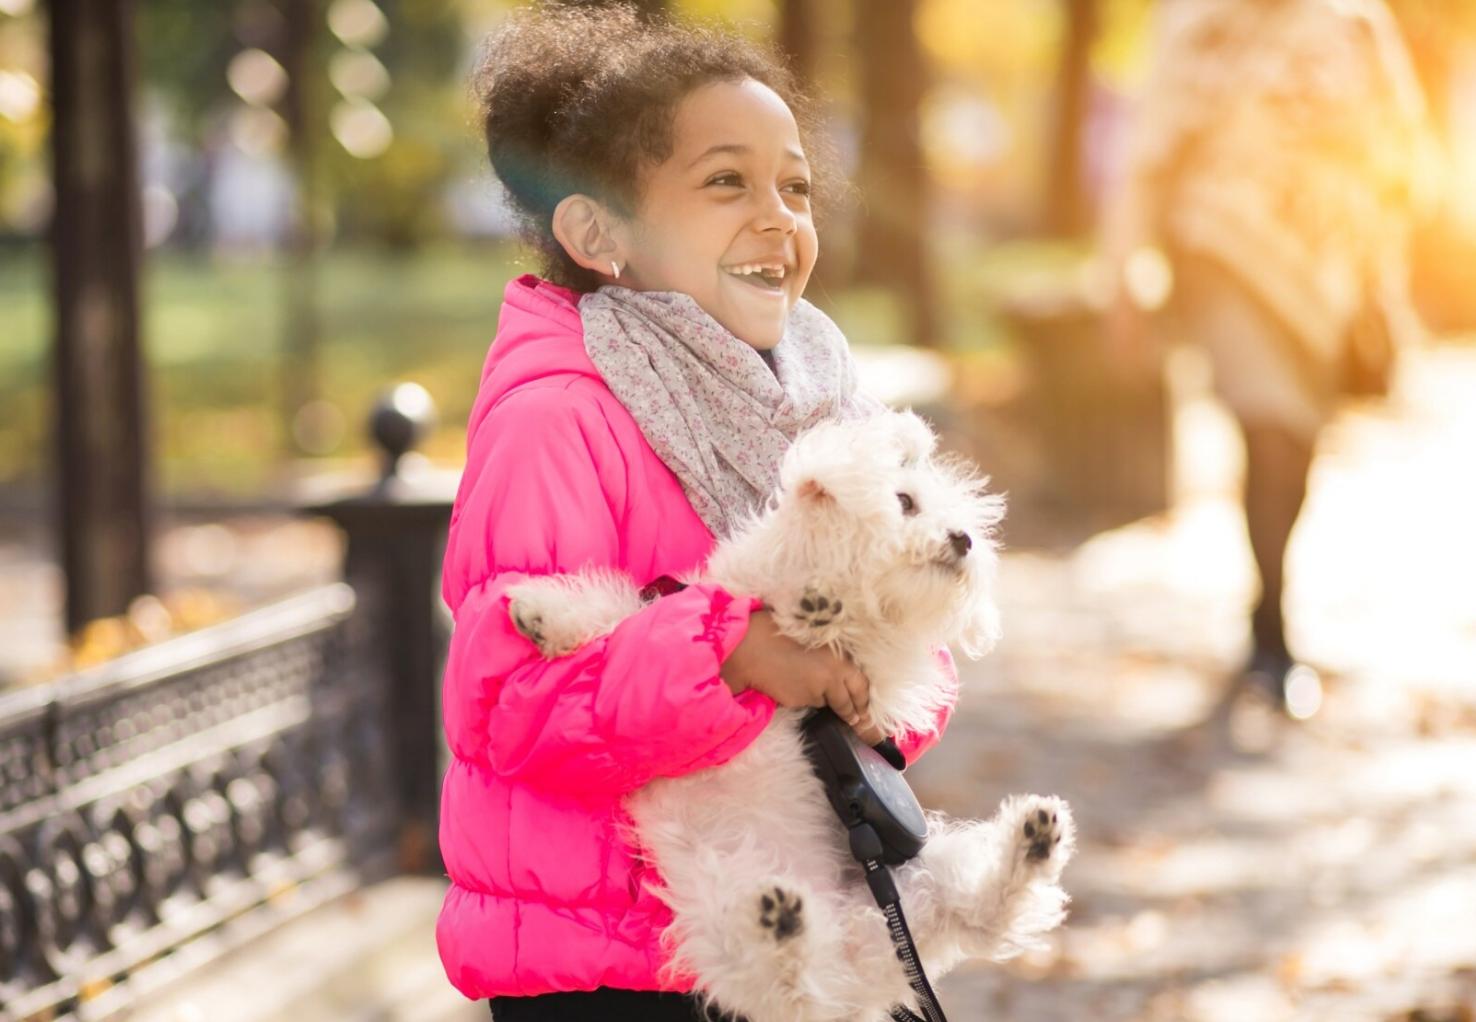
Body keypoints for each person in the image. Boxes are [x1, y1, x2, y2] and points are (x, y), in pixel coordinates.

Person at [437, 7, 955, 1020]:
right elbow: (507, 701)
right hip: (618, 954)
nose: (778, 217)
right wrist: (735, 652)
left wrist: (879, 681)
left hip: (801, 922)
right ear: (600, 232)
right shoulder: (560, 414)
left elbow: (911, 619)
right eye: (727, 182)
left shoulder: (815, 391)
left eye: (794, 186)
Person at [1107, 0, 1431, 717]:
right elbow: (1149, 154)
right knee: (1269, 425)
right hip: (1224, 263)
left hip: (1328, 278)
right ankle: (1271, 637)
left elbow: (1402, 151)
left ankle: (1270, 611)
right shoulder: (1197, 22)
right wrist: (1125, 275)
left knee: (1297, 445)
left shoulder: (1355, 24)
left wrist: (1382, 274)